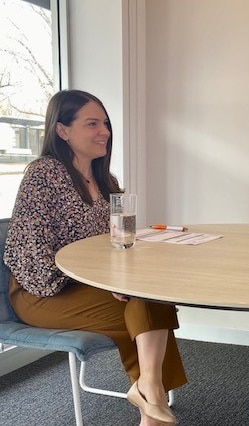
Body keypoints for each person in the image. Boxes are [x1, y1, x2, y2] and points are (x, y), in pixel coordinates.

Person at [3, 90, 187, 426]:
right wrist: (102, 280)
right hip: (40, 293)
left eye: (104, 123)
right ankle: (152, 400)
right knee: (147, 309)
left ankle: (150, 397)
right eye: (92, 123)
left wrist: (126, 269)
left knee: (150, 296)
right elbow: (33, 259)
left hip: (90, 285)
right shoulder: (42, 175)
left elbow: (118, 243)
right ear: (63, 130)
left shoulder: (106, 182)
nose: (104, 131)